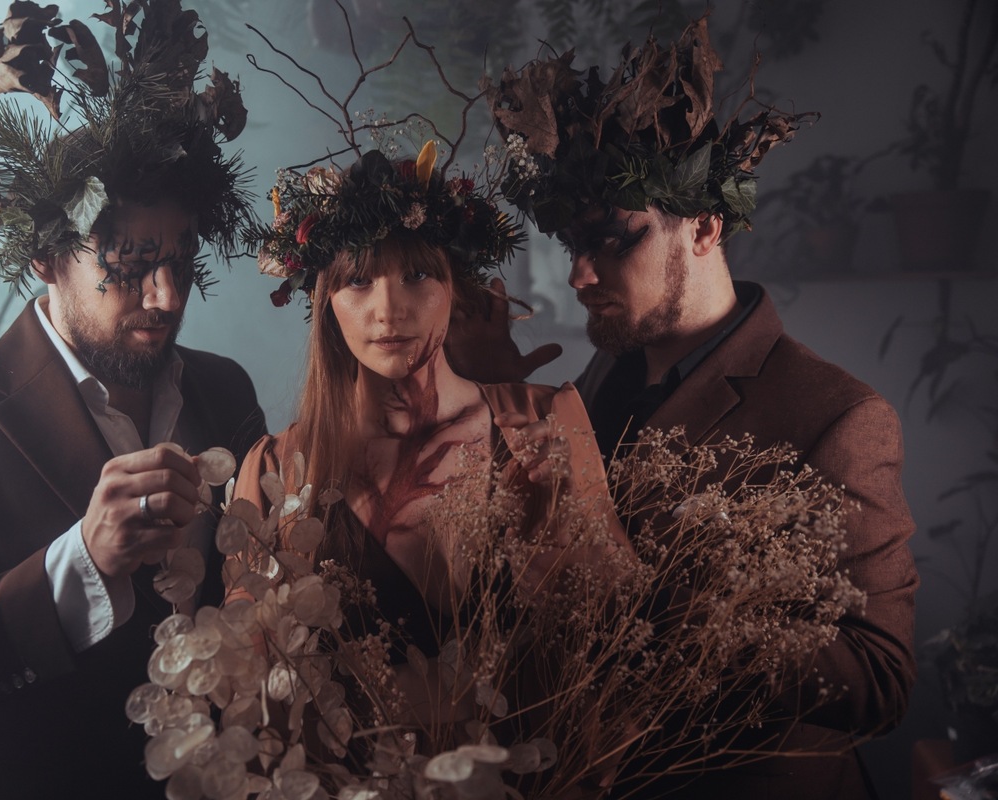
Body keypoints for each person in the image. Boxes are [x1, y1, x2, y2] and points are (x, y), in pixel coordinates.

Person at [467, 17, 919, 800]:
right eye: (574, 246)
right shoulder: (603, 376)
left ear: (706, 226)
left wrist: (657, 600)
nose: (579, 275)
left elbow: (880, 680)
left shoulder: (841, 417)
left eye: (615, 240)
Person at [0, 4, 264, 798]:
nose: (167, 296)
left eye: (180, 262)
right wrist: (81, 565)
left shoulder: (224, 389)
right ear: (45, 256)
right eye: (130, 265)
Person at [237, 144, 628, 731]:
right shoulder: (278, 468)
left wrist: (564, 538)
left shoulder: (543, 422)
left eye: (416, 275)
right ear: (325, 300)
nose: (388, 310)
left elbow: (617, 640)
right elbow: (245, 691)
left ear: (455, 284)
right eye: (358, 281)